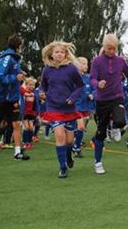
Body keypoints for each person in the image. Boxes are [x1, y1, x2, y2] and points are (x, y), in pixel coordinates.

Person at [90, 34, 128, 174]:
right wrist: (98, 84)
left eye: (114, 48)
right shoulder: (97, 61)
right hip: (102, 100)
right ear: (104, 47)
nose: (112, 51)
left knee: (120, 120)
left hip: (117, 96)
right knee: (100, 132)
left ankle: (116, 127)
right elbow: (92, 78)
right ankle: (98, 162)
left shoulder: (120, 61)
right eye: (109, 48)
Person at [40, 41, 85, 178]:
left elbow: (80, 86)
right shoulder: (47, 70)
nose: (59, 54)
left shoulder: (71, 68)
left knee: (69, 141)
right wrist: (41, 93)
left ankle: (68, 154)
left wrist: (73, 97)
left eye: (62, 52)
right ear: (51, 54)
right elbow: (43, 86)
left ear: (66, 54)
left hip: (69, 109)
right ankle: (63, 167)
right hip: (53, 107)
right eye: (57, 52)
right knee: (60, 136)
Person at [73, 56, 95, 157]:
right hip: (76, 106)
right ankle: (76, 146)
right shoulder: (73, 77)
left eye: (86, 63)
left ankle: (76, 146)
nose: (86, 66)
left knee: (81, 128)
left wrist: (92, 94)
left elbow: (94, 89)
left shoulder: (89, 77)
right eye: (83, 63)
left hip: (86, 106)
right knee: (81, 127)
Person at [20, 77, 40, 150]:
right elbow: (20, 89)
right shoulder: (23, 93)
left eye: (33, 85)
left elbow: (36, 103)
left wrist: (37, 112)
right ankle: (25, 142)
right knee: (27, 127)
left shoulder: (34, 93)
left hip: (31, 113)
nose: (32, 86)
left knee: (31, 127)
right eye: (30, 85)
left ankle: (29, 141)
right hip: (24, 113)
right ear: (26, 85)